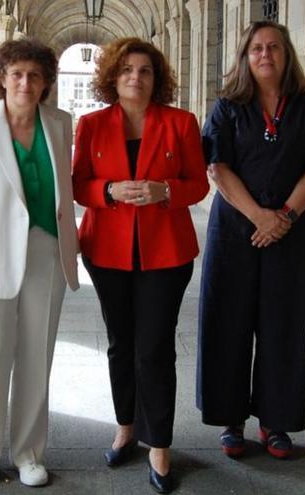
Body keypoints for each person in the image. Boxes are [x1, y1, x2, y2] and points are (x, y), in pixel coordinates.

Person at [197, 21, 305, 460]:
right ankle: (231, 420)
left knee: (284, 324)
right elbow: (217, 168)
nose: (265, 54)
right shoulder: (227, 107)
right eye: (256, 48)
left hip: (288, 231)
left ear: (286, 54)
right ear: (245, 56)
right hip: (235, 230)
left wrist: (285, 216)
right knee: (228, 321)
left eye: (274, 47)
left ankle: (276, 423)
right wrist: (259, 215)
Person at [72, 38, 208, 494]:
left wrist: (165, 191)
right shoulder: (91, 125)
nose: (136, 77)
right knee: (119, 344)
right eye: (127, 69)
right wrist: (108, 191)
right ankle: (126, 426)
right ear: (112, 76)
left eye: (145, 70)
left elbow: (199, 184)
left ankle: (160, 445)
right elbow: (78, 185)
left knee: (154, 347)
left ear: (157, 78)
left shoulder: (181, 122)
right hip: (107, 251)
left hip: (165, 253)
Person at [0, 38, 80, 490]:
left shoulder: (61, 123)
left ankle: (28, 453)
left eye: (35, 75)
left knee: (35, 355)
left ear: (46, 83)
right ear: (2, 77)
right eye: (17, 73)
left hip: (47, 249)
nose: (25, 82)